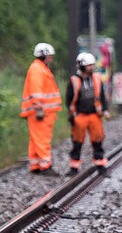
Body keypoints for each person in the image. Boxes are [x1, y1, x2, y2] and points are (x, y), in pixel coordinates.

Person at [20, 43, 63, 174]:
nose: (51, 58)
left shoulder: (40, 68)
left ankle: (35, 165)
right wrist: (38, 107)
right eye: (49, 56)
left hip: (43, 111)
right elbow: (36, 89)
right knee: (42, 139)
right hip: (40, 111)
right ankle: (45, 166)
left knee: (35, 139)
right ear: (43, 55)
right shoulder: (37, 69)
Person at [66, 52, 111, 174]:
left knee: (97, 140)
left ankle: (100, 165)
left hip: (94, 115)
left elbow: (102, 96)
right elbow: (69, 99)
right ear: (81, 66)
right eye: (89, 65)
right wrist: (72, 115)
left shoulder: (97, 78)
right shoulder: (74, 80)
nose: (91, 68)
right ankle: (74, 167)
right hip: (80, 115)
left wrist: (105, 110)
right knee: (77, 141)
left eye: (92, 65)